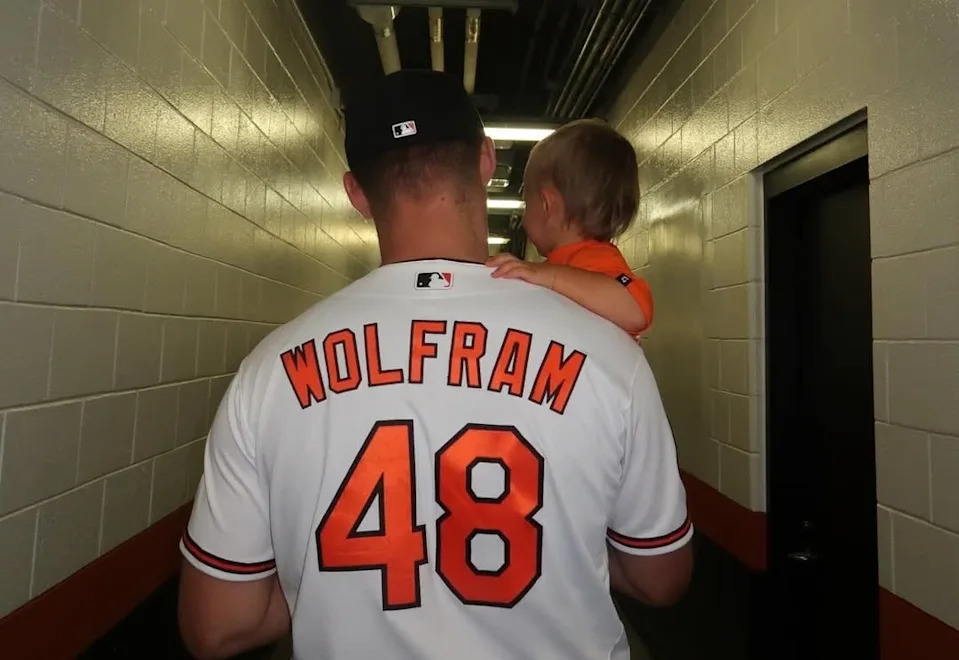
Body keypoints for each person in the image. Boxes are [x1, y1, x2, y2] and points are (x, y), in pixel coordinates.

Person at [177, 70, 693, 660]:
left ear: (357, 194)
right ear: (485, 160)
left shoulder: (268, 373)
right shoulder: (610, 354)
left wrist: (326, 584)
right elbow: (661, 579)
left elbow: (217, 628)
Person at [486, 119, 653, 337]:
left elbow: (636, 309)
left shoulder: (594, 258)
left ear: (548, 206)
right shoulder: (556, 266)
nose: (524, 219)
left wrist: (549, 276)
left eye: (527, 204)